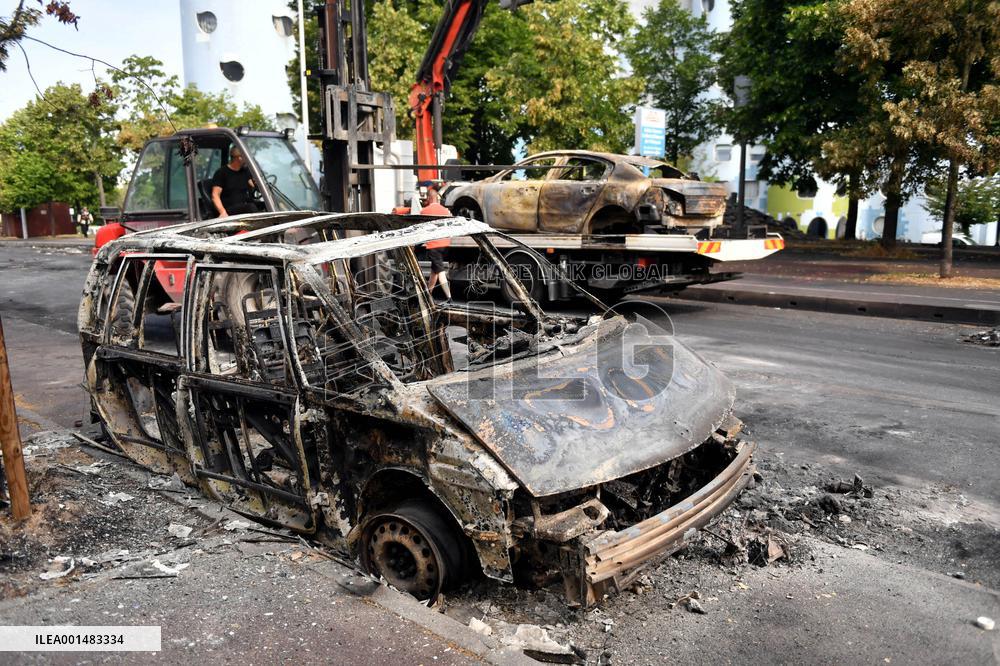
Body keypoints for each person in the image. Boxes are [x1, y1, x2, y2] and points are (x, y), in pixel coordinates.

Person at [419, 183, 452, 302]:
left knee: (440, 271)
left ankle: (449, 297)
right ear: (437, 198)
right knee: (435, 271)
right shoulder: (445, 211)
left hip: (434, 246)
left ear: (428, 198)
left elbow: (421, 228)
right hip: (445, 244)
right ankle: (428, 294)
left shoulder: (424, 211)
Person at [211, 146, 258, 218]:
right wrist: (223, 212)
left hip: (243, 206)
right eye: (246, 157)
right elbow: (215, 195)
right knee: (251, 207)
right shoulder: (222, 173)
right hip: (229, 209)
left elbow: (253, 184)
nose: (247, 160)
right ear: (239, 158)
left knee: (263, 205)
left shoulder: (245, 171)